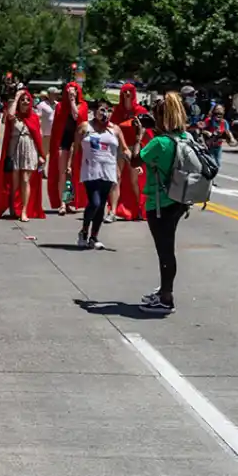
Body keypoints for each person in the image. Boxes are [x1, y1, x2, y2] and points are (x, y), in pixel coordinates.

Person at [129, 92, 191, 314]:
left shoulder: (158, 143)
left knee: (165, 251)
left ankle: (166, 298)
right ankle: (165, 290)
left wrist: (138, 135)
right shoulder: (185, 137)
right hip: (179, 199)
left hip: (159, 202)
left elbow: (135, 160)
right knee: (168, 248)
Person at [69, 99, 132, 250]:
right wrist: (70, 167)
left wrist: (134, 161)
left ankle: (94, 237)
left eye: (108, 110)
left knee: (102, 204)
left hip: (108, 170)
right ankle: (84, 231)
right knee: (95, 202)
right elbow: (75, 147)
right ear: (95, 112)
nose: (105, 113)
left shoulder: (115, 129)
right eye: (102, 110)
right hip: (91, 170)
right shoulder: (85, 127)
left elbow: (124, 149)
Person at [0, 89, 45, 221]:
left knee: (25, 180)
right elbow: (9, 116)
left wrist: (41, 155)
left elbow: (38, 137)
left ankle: (24, 211)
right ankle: (13, 208)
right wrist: (17, 97)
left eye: (28, 100)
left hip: (30, 150)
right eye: (23, 100)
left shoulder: (34, 117)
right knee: (15, 182)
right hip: (15, 150)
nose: (25, 102)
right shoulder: (14, 116)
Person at [108, 84, 151, 221]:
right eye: (124, 91)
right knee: (116, 178)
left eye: (129, 91)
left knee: (134, 181)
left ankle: (139, 208)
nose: (126, 93)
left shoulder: (140, 110)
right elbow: (110, 128)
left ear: (133, 93)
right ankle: (113, 211)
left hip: (133, 148)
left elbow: (146, 131)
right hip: (119, 148)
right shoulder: (117, 111)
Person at [48, 82, 88, 215]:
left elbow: (77, 116)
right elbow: (56, 128)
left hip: (76, 143)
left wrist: (72, 102)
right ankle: (62, 204)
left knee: (71, 174)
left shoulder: (83, 105)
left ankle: (68, 201)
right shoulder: (60, 107)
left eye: (74, 92)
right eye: (69, 92)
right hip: (63, 142)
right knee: (63, 173)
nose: (71, 94)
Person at [202, 104, 236, 170]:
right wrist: (207, 132)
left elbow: (228, 131)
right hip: (209, 146)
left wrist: (232, 138)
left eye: (221, 110)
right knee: (211, 163)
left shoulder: (224, 122)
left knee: (218, 164)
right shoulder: (208, 121)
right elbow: (201, 129)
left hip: (218, 146)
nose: (219, 113)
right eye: (217, 110)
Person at [36, 86, 59, 165]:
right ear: (49, 94)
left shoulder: (58, 104)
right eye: (54, 94)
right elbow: (38, 119)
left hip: (55, 134)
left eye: (57, 94)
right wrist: (39, 131)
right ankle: (40, 173)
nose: (57, 95)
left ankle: (49, 173)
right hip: (45, 134)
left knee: (54, 154)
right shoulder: (42, 105)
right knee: (43, 154)